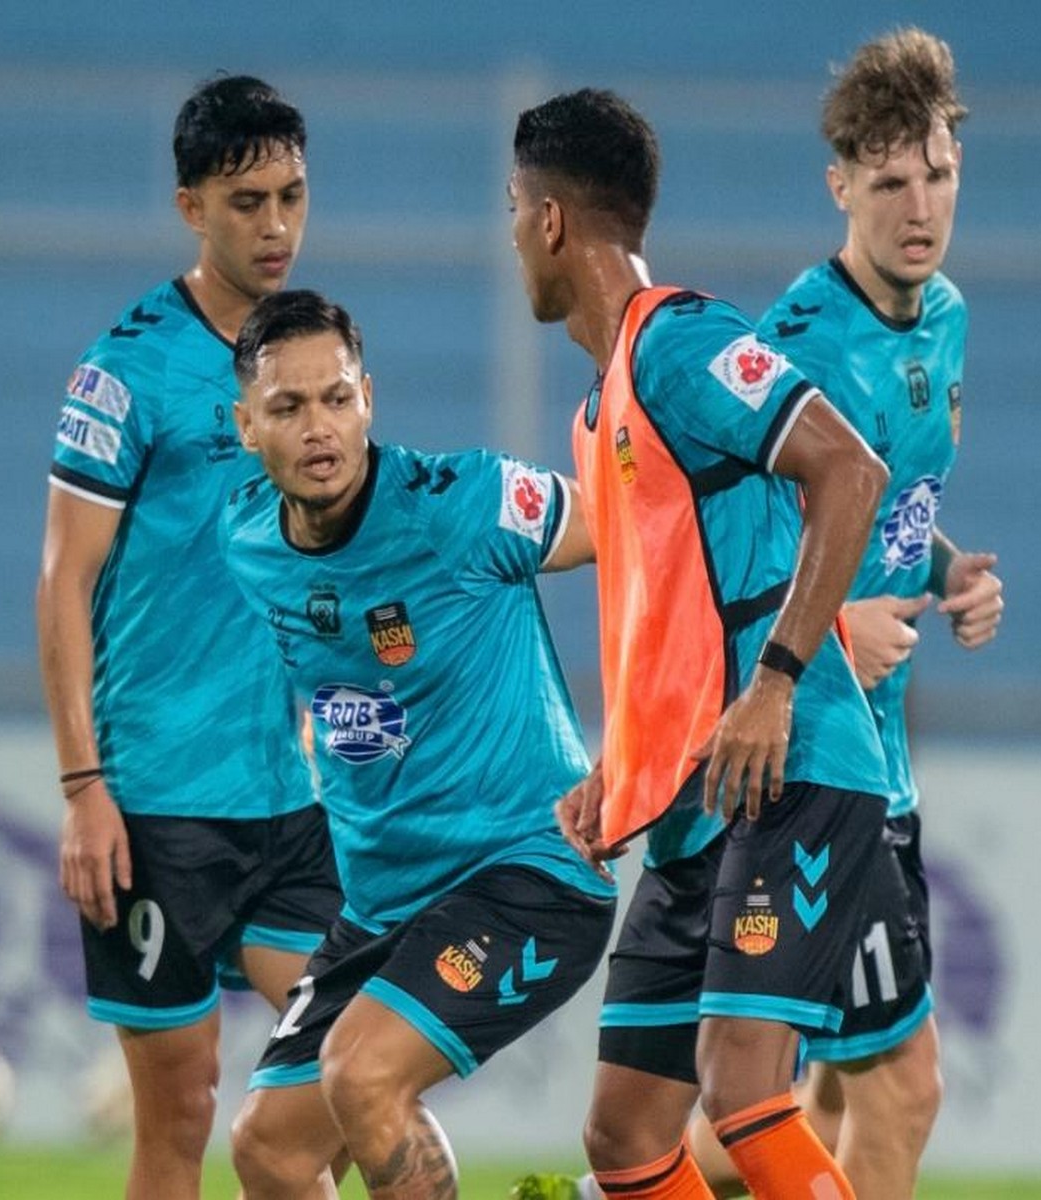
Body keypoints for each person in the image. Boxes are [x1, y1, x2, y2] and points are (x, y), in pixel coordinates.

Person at [509, 88, 915, 1200]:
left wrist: (778, 681)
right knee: (626, 1139)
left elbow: (849, 471)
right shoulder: (599, 418)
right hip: (694, 802)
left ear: (548, 223)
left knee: (741, 1091)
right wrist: (616, 771)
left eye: (512, 211)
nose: (512, 239)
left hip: (790, 762)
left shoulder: (682, 344)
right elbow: (664, 628)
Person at [680, 30, 1005, 1200]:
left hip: (883, 756)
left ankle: (613, 1182)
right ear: (840, 188)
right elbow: (720, 541)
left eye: (938, 174)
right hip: (814, 758)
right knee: (894, 1086)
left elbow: (890, 501)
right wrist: (825, 634)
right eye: (889, 183)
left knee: (810, 1095)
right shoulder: (799, 346)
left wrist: (949, 570)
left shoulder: (947, 316)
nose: (919, 207)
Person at [220, 289, 617, 1199]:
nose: (319, 427)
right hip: (381, 907)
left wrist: (636, 745)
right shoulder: (246, 538)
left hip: (527, 874)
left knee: (363, 1075)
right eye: (287, 407)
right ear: (247, 426)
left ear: (371, 399)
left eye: (337, 398)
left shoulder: (462, 504)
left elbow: (632, 538)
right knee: (268, 1150)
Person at [35, 76, 343, 1200]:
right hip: (158, 798)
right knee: (181, 1111)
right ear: (189, 208)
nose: (276, 227)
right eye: (247, 200)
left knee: (353, 1076)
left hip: (290, 793)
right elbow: (62, 583)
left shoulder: (310, 366)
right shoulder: (127, 369)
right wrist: (83, 788)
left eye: (293, 197)